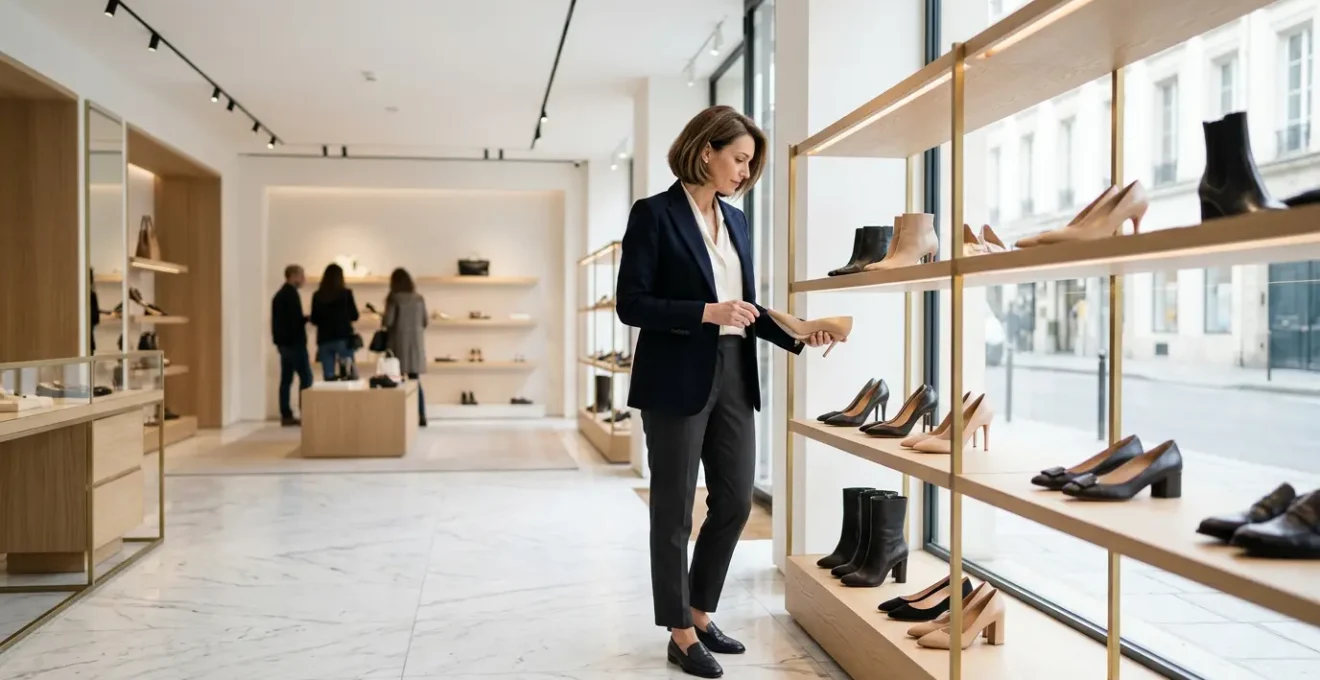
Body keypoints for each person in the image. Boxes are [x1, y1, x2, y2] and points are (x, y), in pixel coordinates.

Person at [615, 105, 835, 678]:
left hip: (736, 370)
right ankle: (680, 632)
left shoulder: (735, 221)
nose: (744, 171)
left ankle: (701, 609)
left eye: (750, 163)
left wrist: (798, 335)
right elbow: (630, 304)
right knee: (673, 511)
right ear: (705, 150)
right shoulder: (653, 214)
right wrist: (705, 312)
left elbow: (747, 307)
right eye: (738, 159)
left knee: (736, 499)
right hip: (675, 377)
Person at [383, 267, 428, 426]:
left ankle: (400, 417)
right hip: (416, 345)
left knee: (396, 381)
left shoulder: (393, 298)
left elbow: (388, 322)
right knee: (415, 381)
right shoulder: (419, 298)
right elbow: (425, 322)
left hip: (398, 345)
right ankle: (421, 415)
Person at [272, 265, 313, 425]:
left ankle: (286, 414)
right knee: (306, 377)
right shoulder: (290, 295)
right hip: (294, 344)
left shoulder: (280, 295)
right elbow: (293, 322)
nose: (304, 279)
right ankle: (307, 413)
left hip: (284, 344)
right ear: (294, 276)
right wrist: (306, 319)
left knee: (286, 380)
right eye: (302, 276)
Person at [309, 263, 360, 381]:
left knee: (328, 377)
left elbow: (314, 319)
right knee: (348, 375)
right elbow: (355, 315)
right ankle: (348, 399)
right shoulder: (346, 294)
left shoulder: (317, 295)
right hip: (343, 338)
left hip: (324, 340)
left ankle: (331, 399)